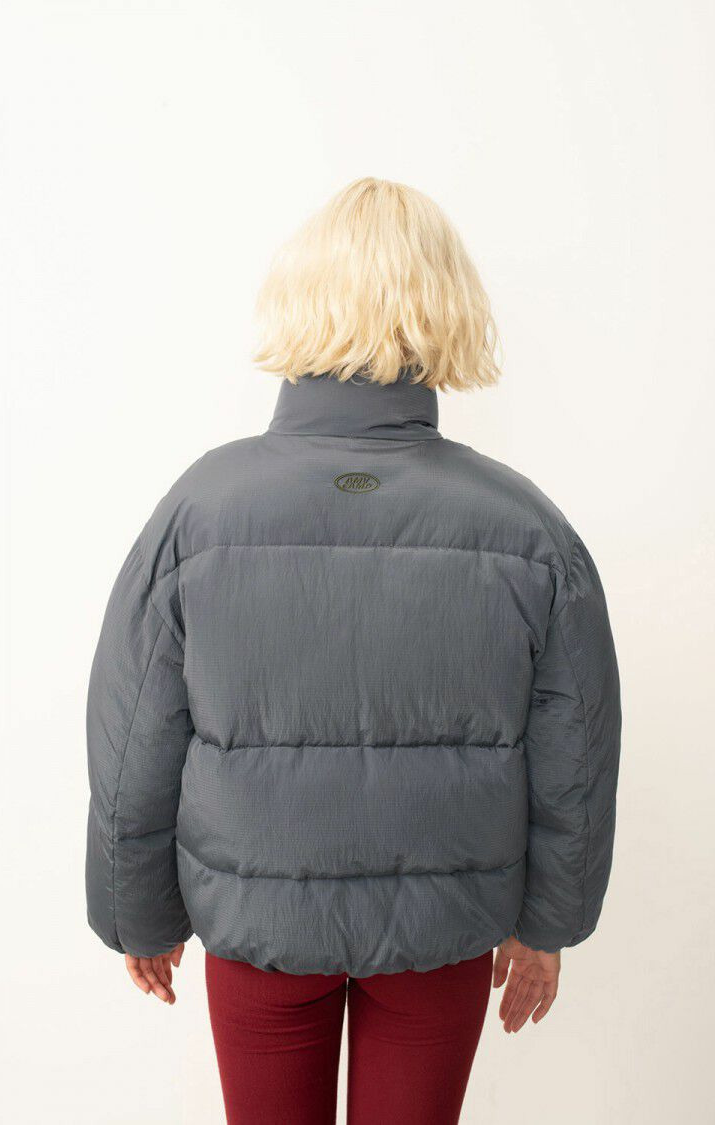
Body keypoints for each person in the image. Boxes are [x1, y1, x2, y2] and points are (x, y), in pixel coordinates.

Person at [86, 177, 621, 1124]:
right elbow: (577, 751)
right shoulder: (526, 528)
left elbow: (132, 735)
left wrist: (139, 910)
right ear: (445, 305)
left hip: (260, 926)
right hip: (441, 933)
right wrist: (549, 922)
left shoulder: (199, 512)